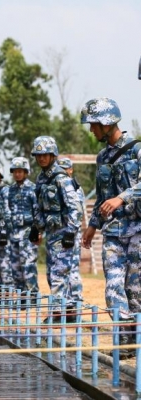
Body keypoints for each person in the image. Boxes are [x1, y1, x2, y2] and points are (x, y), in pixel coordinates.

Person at [81, 97, 141, 358]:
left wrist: (122, 198)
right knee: (113, 288)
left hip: (138, 232)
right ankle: (123, 343)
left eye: (94, 124)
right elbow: (102, 196)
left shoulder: (137, 150)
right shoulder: (102, 157)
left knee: (135, 291)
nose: (91, 129)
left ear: (107, 122)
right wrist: (92, 226)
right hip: (113, 233)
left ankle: (136, 344)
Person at [29, 135, 83, 323]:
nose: (42, 158)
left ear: (53, 155)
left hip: (64, 231)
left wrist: (71, 231)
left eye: (45, 155)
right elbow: (39, 206)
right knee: (52, 273)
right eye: (38, 155)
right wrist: (36, 227)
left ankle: (58, 313)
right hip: (51, 232)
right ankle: (69, 311)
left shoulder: (61, 178)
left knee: (59, 274)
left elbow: (75, 207)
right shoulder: (41, 179)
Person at [7, 157, 40, 301]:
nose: (17, 174)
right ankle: (21, 297)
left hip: (28, 232)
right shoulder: (10, 190)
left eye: (20, 171)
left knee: (28, 266)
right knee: (15, 267)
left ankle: (32, 296)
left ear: (26, 172)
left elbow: (37, 211)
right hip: (14, 233)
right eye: (15, 171)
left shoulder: (33, 188)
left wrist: (38, 231)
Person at [56, 157, 84, 310]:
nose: (62, 172)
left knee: (72, 269)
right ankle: (66, 304)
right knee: (61, 269)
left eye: (65, 169)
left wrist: (71, 232)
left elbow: (77, 212)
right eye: (60, 169)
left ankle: (75, 303)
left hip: (72, 233)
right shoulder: (58, 186)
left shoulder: (75, 188)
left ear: (71, 170)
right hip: (60, 232)